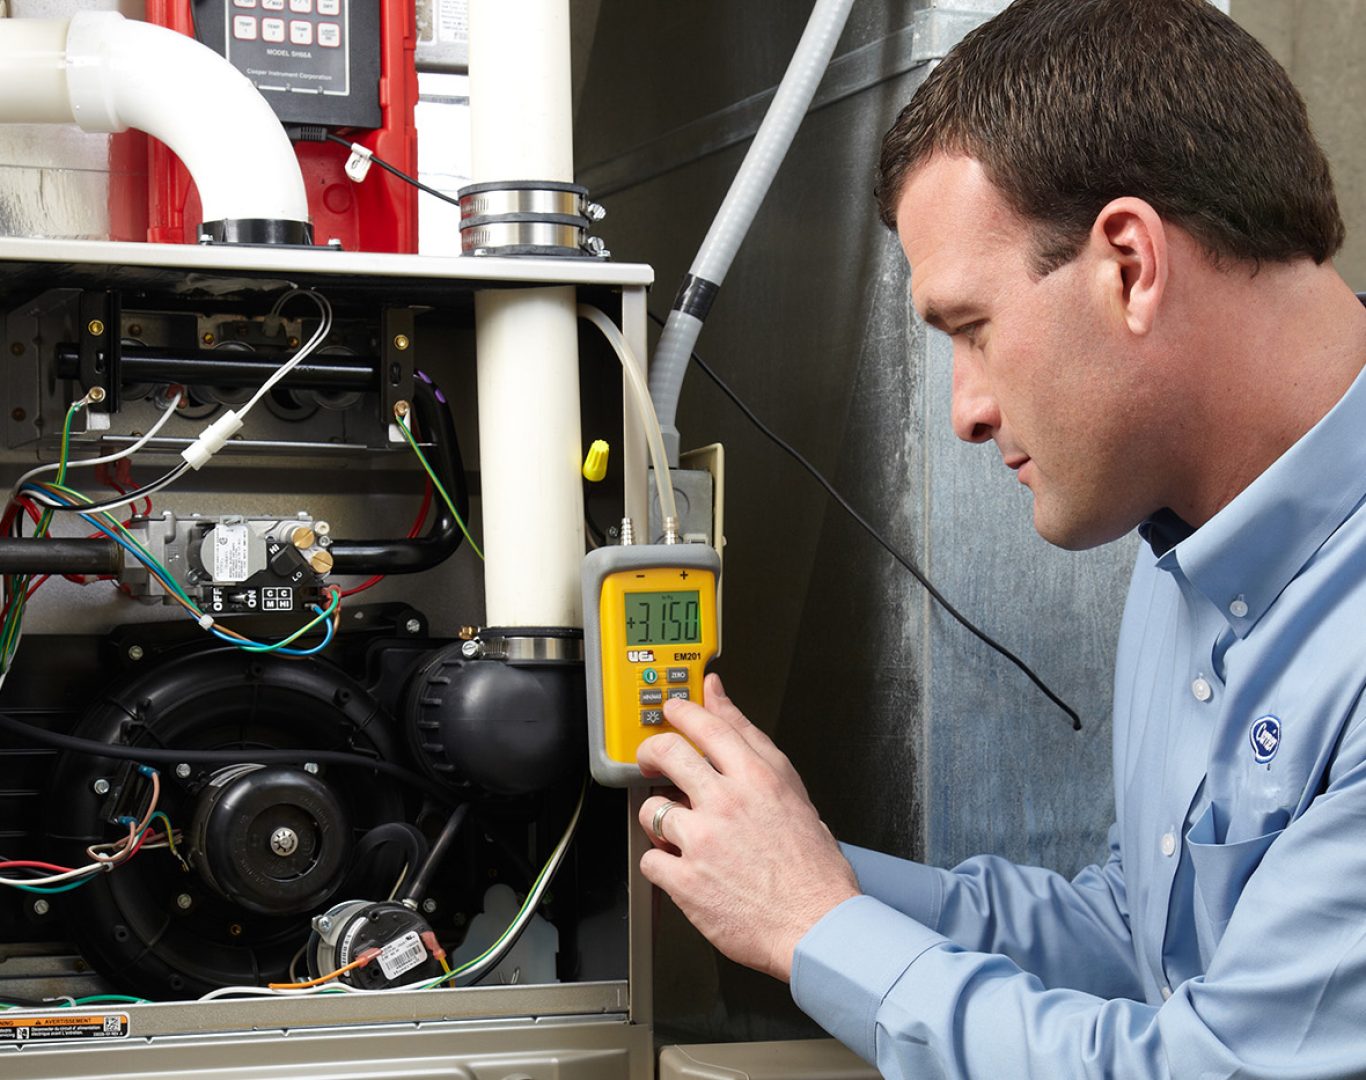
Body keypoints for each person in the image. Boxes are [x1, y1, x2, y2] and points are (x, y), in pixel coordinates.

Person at [632, 0, 1366, 1076]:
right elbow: (1133, 940)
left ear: (1127, 262)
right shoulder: (1189, 553)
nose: (964, 411)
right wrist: (787, 865)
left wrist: (815, 928)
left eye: (971, 331)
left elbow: (1214, 1066)